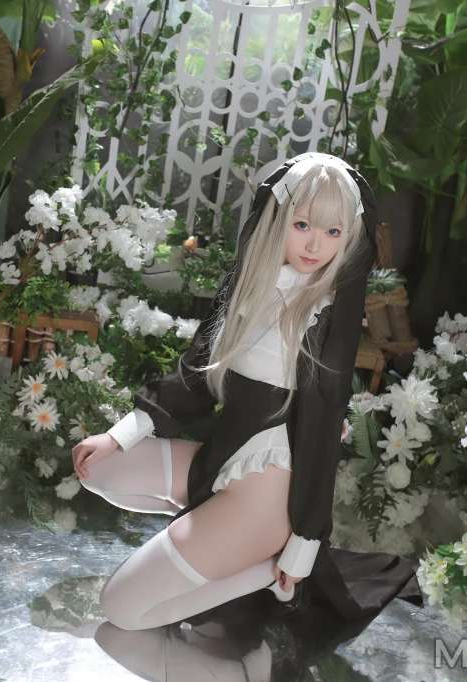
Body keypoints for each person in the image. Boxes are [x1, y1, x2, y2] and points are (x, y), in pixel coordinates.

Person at [72, 152, 420, 632]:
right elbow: (197, 372)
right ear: (278, 219)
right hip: (221, 458)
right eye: (302, 224)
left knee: (121, 609)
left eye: (333, 231)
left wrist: (305, 543)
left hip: (266, 492)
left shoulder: (325, 313)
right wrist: (119, 435)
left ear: (349, 237)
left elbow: (321, 433)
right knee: (98, 467)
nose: (315, 244)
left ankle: (260, 569)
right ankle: (214, 532)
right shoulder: (251, 283)